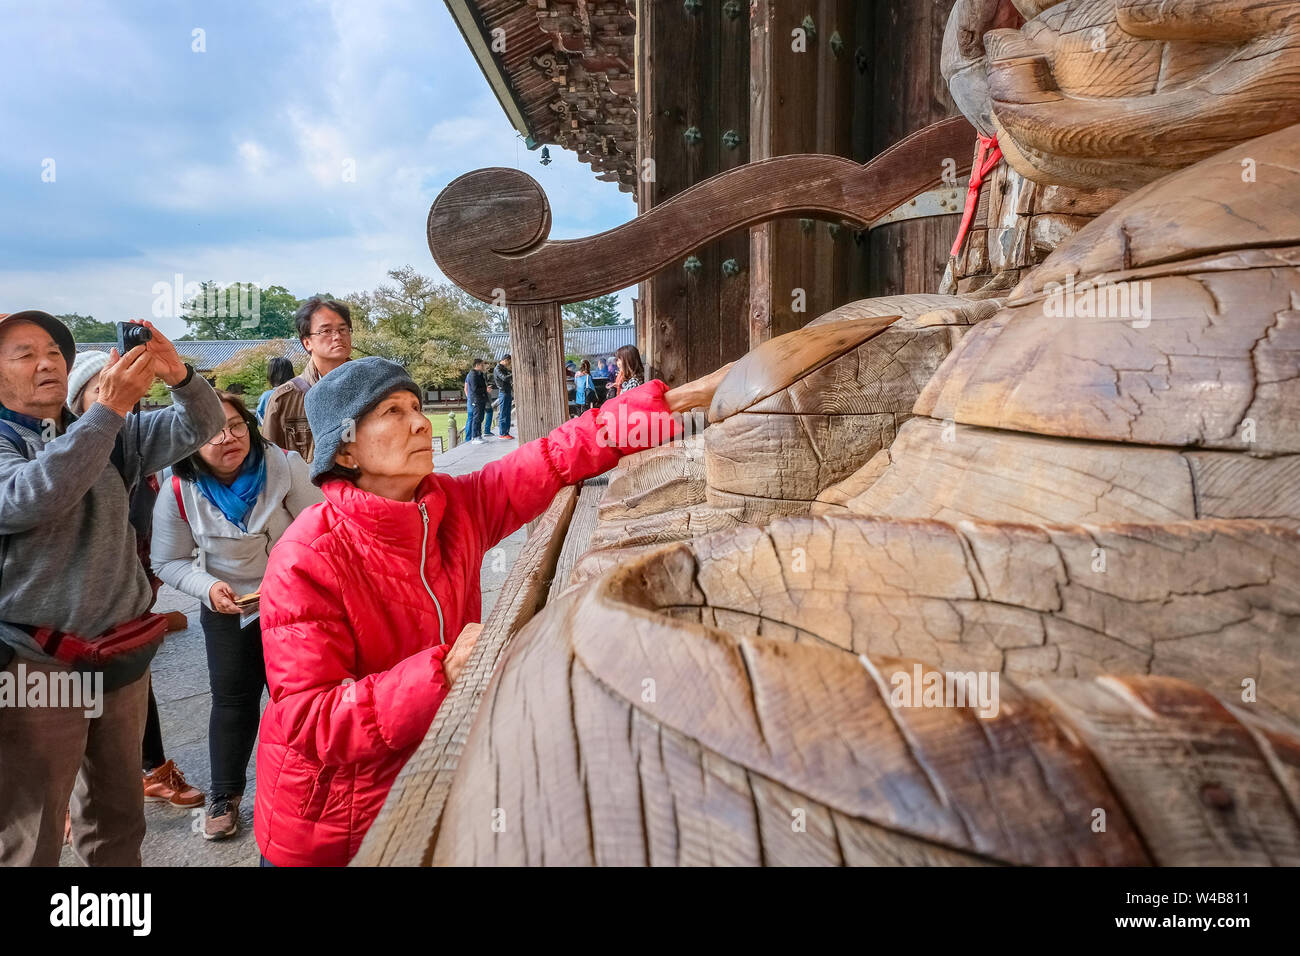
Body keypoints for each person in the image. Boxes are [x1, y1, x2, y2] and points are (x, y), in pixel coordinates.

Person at [253, 355, 728, 865]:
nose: (418, 422)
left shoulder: (453, 505)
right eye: (392, 411)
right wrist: (444, 671)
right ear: (344, 449)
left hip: (427, 778)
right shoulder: (306, 557)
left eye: (415, 405)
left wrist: (679, 400)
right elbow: (310, 719)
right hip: (332, 823)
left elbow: (555, 454)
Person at [0, 311, 224, 866]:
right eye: (24, 353)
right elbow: (34, 495)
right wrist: (107, 411)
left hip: (120, 656)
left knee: (119, 814)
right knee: (34, 831)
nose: (47, 361)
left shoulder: (111, 432)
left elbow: (203, 424)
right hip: (35, 662)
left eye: (53, 350)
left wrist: (180, 376)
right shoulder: (55, 435)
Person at [151, 391, 321, 841]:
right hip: (227, 606)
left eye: (237, 425)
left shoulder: (284, 465)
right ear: (189, 441)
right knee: (232, 700)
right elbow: (167, 561)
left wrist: (294, 575)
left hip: (294, 601)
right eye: (212, 430)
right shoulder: (178, 488)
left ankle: (318, 784)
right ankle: (224, 795)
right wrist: (208, 589)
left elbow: (320, 524)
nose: (228, 437)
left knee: (300, 695)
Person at [66, 352, 202, 813]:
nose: (119, 391)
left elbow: (201, 420)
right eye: (102, 386)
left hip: (128, 593)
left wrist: (178, 374)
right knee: (58, 725)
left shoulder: (133, 437)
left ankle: (151, 770)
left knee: (134, 686)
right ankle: (59, 799)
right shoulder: (53, 450)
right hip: (56, 624)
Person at [262, 297, 353, 462]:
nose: (337, 336)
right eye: (326, 331)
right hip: (309, 486)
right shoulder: (285, 399)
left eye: (343, 329)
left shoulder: (372, 389)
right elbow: (270, 461)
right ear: (307, 342)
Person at [256, 356, 295, 425]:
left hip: (273, 434)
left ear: (271, 375)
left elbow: (259, 419)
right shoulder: (300, 394)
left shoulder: (267, 396)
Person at [465, 357, 489, 444]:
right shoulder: (472, 375)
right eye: (482, 365)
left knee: (480, 417)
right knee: (476, 417)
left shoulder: (479, 374)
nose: (483, 366)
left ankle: (479, 435)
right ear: (478, 365)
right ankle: (475, 436)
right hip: (476, 399)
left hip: (481, 398)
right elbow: (475, 389)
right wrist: (485, 389)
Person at [494, 354, 514, 439]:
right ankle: (502, 433)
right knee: (503, 413)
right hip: (503, 392)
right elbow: (504, 378)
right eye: (509, 362)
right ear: (505, 360)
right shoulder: (497, 368)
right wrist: (513, 374)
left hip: (507, 392)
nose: (509, 364)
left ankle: (506, 432)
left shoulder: (503, 368)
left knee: (507, 412)